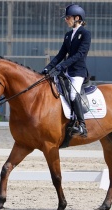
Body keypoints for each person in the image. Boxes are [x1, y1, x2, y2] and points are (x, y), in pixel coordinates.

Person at [42, 3, 91, 137]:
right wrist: (48, 67)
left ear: (77, 18)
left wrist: (63, 65)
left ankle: (81, 125)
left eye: (68, 17)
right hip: (66, 73)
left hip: (78, 73)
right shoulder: (68, 35)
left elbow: (80, 54)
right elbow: (61, 54)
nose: (66, 20)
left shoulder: (85, 34)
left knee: (73, 95)